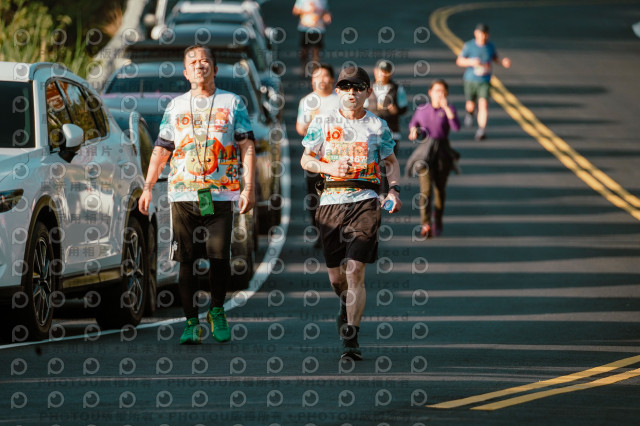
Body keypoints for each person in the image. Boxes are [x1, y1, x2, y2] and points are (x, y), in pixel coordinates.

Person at [139, 45, 256, 345]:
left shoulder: (232, 103)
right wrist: (148, 186)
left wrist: (249, 187)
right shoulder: (175, 106)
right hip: (183, 194)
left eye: (205, 61)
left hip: (222, 193)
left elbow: (247, 146)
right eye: (193, 62)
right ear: (185, 72)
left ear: (215, 69)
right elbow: (162, 148)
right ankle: (191, 322)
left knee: (219, 257)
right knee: (186, 259)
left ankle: (216, 310)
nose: (199, 65)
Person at [300, 65, 402, 360]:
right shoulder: (323, 121)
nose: (351, 92)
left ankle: (351, 337)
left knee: (356, 269)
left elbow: (391, 162)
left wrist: (394, 191)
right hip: (330, 201)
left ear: (368, 92)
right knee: (337, 278)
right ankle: (345, 306)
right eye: (345, 87)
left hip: (365, 201)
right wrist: (329, 167)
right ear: (338, 91)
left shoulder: (377, 126)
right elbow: (306, 159)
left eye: (358, 87)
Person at [407, 79, 460, 238]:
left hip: (442, 152)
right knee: (426, 190)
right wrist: (413, 130)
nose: (439, 94)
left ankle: (438, 219)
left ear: (447, 93)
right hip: (425, 152)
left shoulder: (449, 109)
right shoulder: (422, 109)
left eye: (442, 91)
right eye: (437, 91)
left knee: (439, 190)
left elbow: (456, 126)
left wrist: (446, 108)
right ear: (430, 92)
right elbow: (413, 123)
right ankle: (426, 223)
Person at [296, 63, 340, 244]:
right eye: (316, 77)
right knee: (315, 197)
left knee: (337, 197)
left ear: (332, 79)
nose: (321, 80)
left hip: (337, 158)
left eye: (324, 76)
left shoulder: (340, 100)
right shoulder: (307, 101)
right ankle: (320, 233)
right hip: (314, 158)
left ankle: (336, 233)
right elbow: (300, 128)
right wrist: (312, 122)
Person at [456, 23, 510, 140]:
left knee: (483, 105)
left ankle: (481, 130)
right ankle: (470, 113)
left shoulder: (490, 46)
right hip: (470, 80)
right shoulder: (469, 46)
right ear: (476, 33)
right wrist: (471, 62)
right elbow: (459, 61)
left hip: (484, 81)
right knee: (470, 105)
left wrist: (503, 62)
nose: (483, 36)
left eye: (485, 34)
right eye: (481, 34)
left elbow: (495, 58)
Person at [364, 59, 408, 192]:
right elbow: (362, 108)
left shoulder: (397, 89)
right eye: (381, 71)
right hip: (370, 133)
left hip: (391, 132)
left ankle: (386, 193)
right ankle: (373, 192)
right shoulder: (368, 88)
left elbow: (403, 108)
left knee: (388, 163)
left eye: (386, 72)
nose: (383, 74)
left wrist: (395, 110)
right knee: (372, 163)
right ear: (375, 71)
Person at [292, 0, 332, 74]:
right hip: (305, 28)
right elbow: (295, 11)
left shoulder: (323, 1)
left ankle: (315, 71)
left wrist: (327, 17)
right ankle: (303, 68)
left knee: (316, 51)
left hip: (319, 28)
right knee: (304, 51)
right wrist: (308, 11)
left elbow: (326, 11)